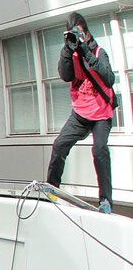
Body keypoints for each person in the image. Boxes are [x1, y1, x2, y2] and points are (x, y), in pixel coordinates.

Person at [45, 11, 116, 213]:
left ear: (87, 33)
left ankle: (106, 201)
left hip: (101, 114)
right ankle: (52, 189)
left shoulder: (98, 51)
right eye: (75, 34)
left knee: (100, 151)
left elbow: (109, 79)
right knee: (59, 145)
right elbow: (65, 76)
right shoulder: (69, 52)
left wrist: (85, 51)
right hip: (80, 114)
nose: (79, 37)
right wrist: (67, 49)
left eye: (81, 33)